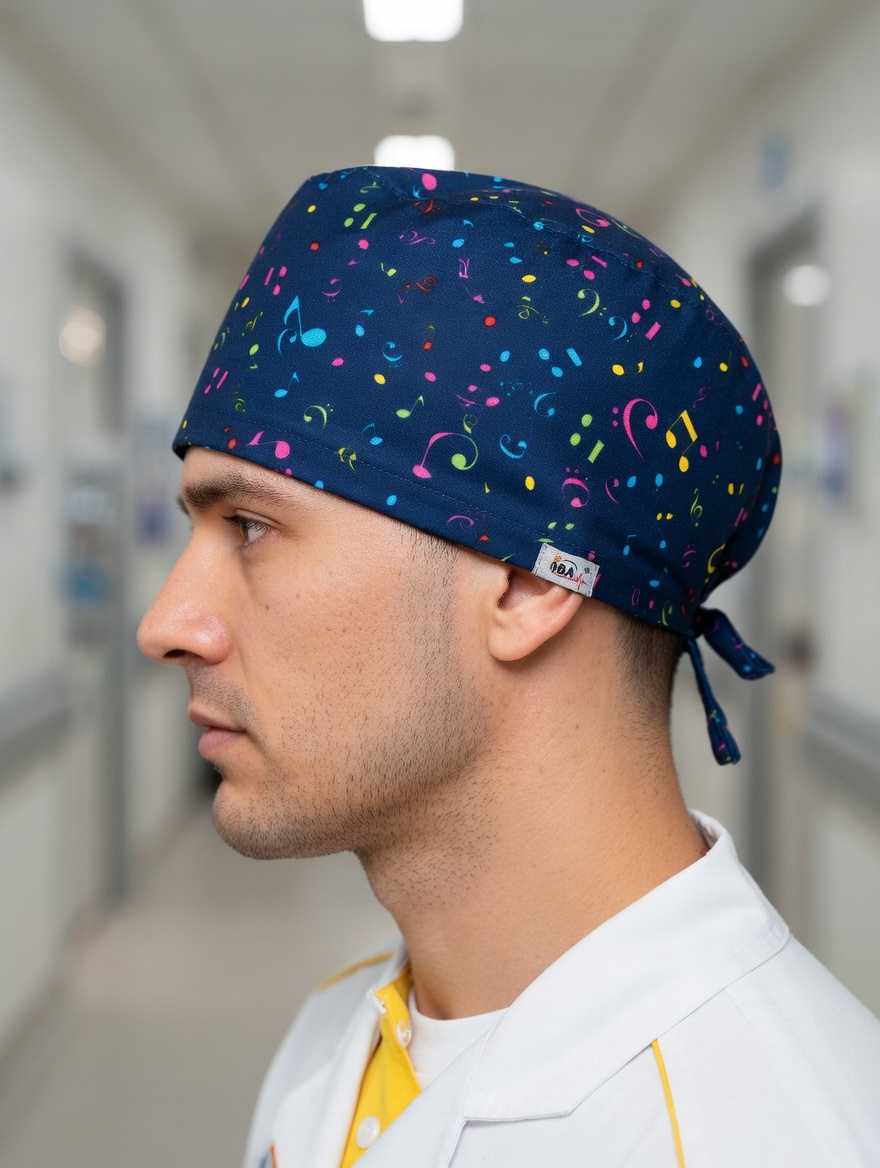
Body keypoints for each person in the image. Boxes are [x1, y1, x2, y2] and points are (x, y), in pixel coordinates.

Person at [138, 167, 880, 1168]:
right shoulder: (344, 1037)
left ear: (530, 585)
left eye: (251, 527)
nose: (166, 625)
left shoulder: (760, 1135)